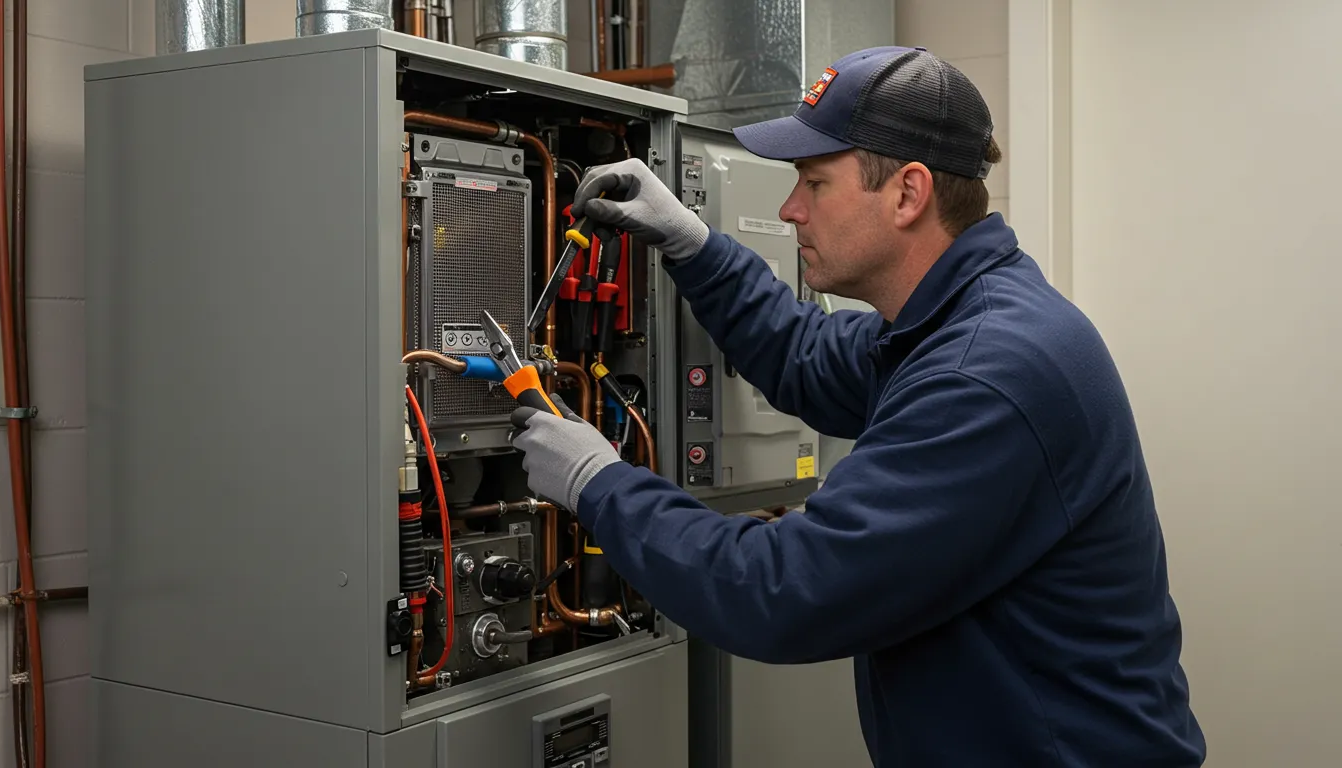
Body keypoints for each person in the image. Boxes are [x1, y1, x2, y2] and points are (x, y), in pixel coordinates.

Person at [508, 46, 1206, 767]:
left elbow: (782, 590)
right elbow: (805, 355)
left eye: (815, 182)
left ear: (908, 193)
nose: (789, 209)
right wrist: (693, 244)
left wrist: (599, 483)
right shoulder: (951, 323)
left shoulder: (988, 374)